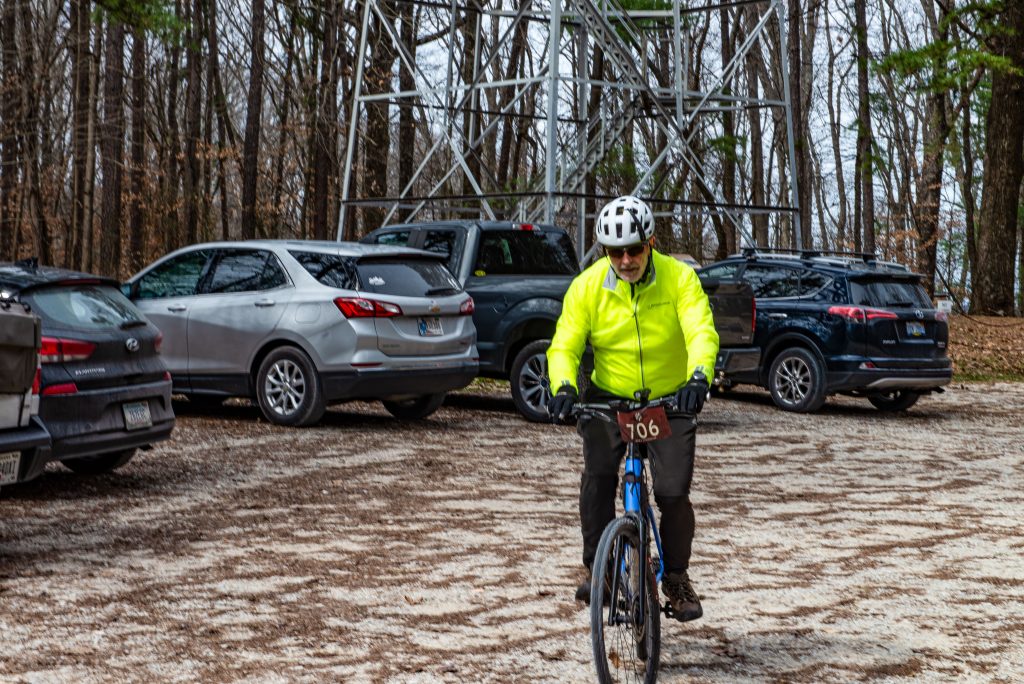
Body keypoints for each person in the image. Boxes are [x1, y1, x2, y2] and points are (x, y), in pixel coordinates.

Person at [546, 195, 719, 622]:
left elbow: (701, 329)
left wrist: (699, 376)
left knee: (674, 494)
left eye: (634, 249)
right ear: (604, 251)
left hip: (670, 397)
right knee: (597, 480)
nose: (625, 260)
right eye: (614, 252)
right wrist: (563, 386)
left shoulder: (679, 279)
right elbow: (564, 344)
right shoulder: (587, 286)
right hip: (610, 397)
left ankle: (676, 577)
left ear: (651, 243)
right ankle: (599, 569)